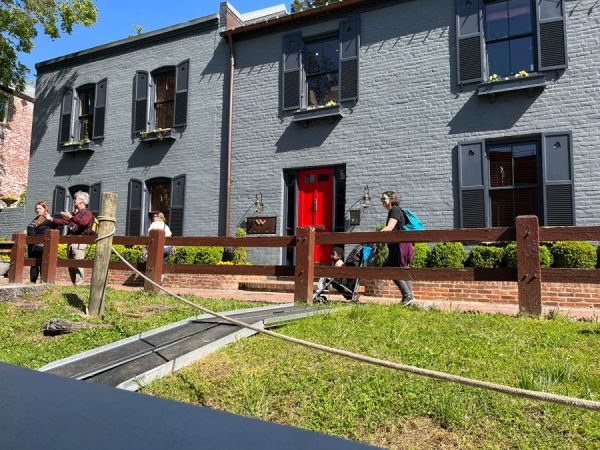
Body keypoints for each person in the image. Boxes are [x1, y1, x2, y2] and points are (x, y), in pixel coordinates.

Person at [46, 191, 93, 285]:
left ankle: (79, 284)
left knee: (78, 263)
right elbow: (64, 222)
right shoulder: (76, 214)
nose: (74, 200)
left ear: (82, 201)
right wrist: (51, 219)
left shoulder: (87, 213)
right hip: (71, 241)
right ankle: (74, 284)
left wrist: (71, 217)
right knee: (71, 264)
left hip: (80, 242)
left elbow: (83, 222)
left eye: (76, 198)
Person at [380, 191, 415, 306]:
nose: (382, 201)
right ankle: (410, 298)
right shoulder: (395, 210)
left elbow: (390, 227)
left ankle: (407, 295)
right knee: (403, 270)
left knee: (394, 270)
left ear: (391, 199)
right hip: (402, 244)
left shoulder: (394, 210)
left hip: (400, 245)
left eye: (384, 198)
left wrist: (375, 235)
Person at [26, 201, 53, 283]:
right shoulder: (36, 219)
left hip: (42, 245)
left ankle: (43, 281)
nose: (37, 210)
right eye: (36, 208)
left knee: (43, 263)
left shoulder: (48, 219)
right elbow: (30, 229)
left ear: (45, 209)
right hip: (33, 245)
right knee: (34, 264)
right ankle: (32, 282)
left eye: (40, 208)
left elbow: (55, 228)